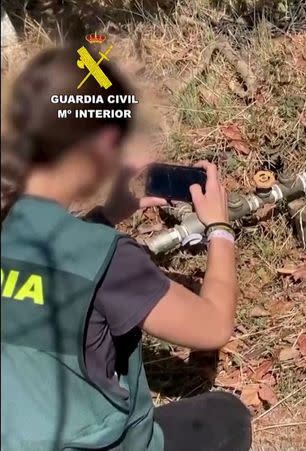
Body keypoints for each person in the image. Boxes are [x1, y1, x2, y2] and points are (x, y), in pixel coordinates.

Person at [1, 47, 252, 450]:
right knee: (227, 416)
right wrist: (219, 228)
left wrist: (102, 216)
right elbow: (212, 327)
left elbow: (48, 275)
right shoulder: (110, 260)